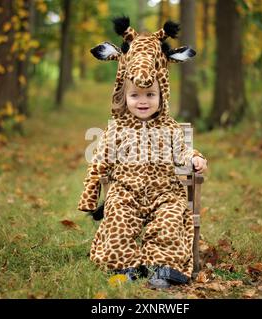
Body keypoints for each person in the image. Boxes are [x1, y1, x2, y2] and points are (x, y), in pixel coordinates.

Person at [77, 17, 207, 289]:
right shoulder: (117, 128)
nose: (143, 101)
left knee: (171, 218)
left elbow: (183, 150)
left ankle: (166, 268)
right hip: (126, 191)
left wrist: (194, 158)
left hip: (164, 192)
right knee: (116, 217)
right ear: (124, 96)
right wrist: (91, 196)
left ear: (162, 95)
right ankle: (126, 266)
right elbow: (99, 162)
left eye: (150, 95)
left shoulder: (170, 127)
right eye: (136, 95)